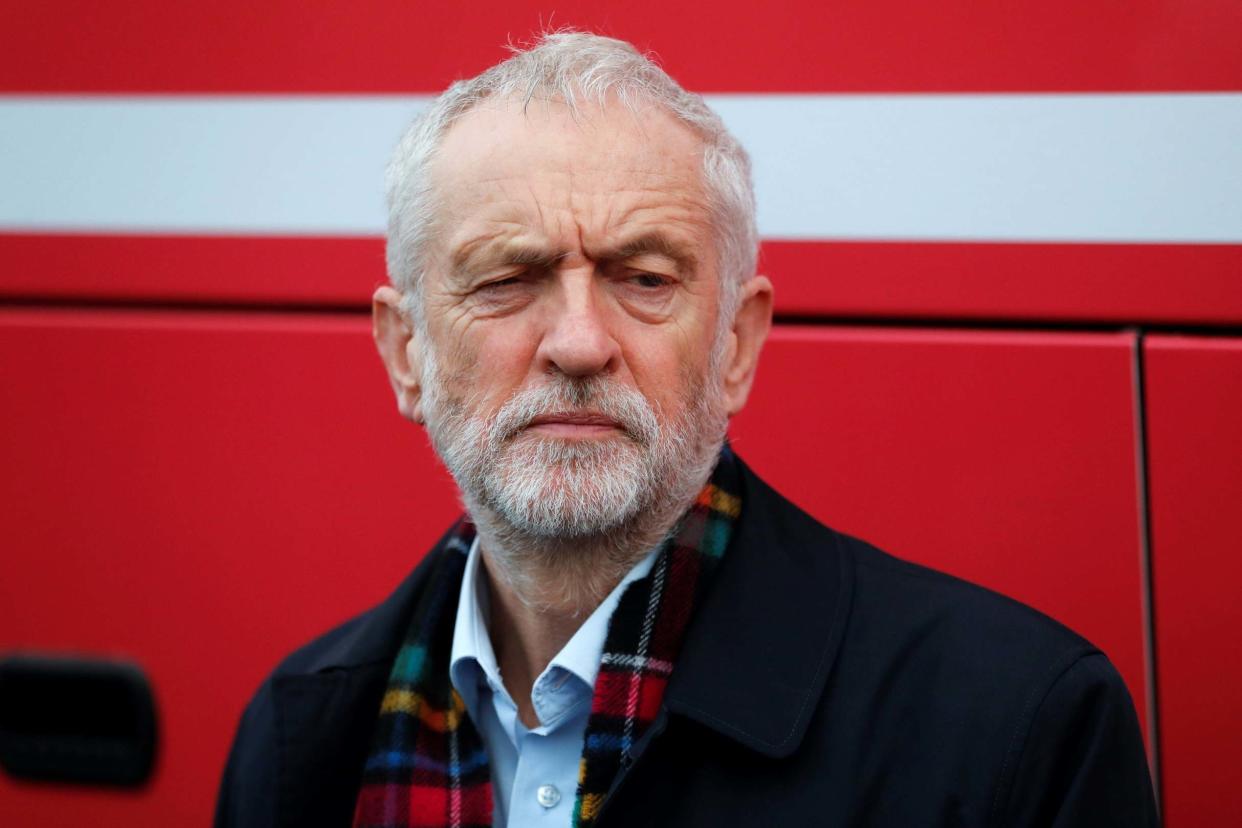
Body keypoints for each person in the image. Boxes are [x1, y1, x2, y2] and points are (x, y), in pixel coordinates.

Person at [215, 32, 1158, 828]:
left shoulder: (1023, 734)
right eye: (506, 279)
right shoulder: (297, 741)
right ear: (407, 353)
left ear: (736, 345)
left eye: (647, 278)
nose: (580, 343)